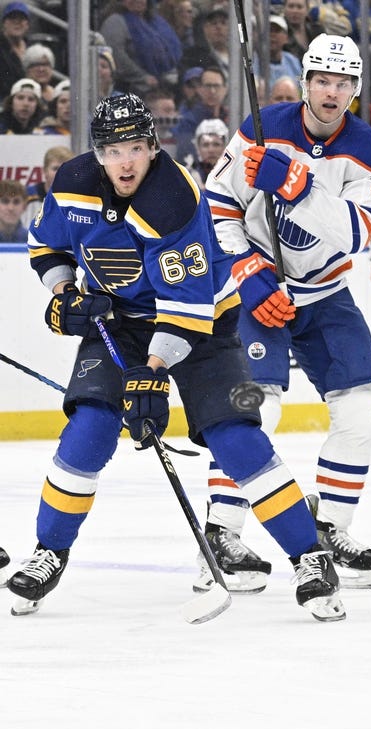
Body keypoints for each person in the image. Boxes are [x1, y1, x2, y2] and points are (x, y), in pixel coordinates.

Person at [8, 93, 345, 620]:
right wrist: (64, 294)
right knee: (89, 429)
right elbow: (45, 247)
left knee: (234, 437)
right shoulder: (72, 182)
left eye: (136, 148)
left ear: (153, 147)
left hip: (204, 322)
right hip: (117, 324)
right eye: (114, 149)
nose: (126, 161)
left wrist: (153, 375)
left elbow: (185, 312)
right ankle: (49, 551)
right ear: (98, 153)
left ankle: (311, 557)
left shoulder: (174, 199)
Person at [201, 34, 371, 592]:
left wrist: (296, 185)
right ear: (306, 82)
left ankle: (331, 525)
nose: (332, 93)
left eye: (344, 84)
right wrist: (248, 272)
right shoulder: (261, 127)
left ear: (356, 90)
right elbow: (218, 205)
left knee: (362, 414)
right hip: (259, 291)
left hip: (325, 294)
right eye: (323, 81)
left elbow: (356, 233)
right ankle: (222, 531)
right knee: (253, 411)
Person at [99, 0, 183, 97]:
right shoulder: (115, 21)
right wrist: (143, 77)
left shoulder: (156, 22)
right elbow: (116, 55)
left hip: (163, 85)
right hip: (131, 88)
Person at [172, 66, 229, 163]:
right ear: (199, 89)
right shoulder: (186, 121)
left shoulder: (232, 118)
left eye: (216, 86)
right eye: (208, 86)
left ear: (225, 89)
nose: (212, 91)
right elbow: (185, 155)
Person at [23, 145, 74, 227]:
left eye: (66, 168)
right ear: (44, 171)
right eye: (55, 168)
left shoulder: (80, 200)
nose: (60, 173)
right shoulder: (26, 196)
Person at [183, 117, 228, 189]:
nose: (211, 150)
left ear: (225, 147)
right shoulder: (186, 176)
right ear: (198, 148)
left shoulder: (233, 176)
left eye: (216, 144)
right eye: (205, 145)